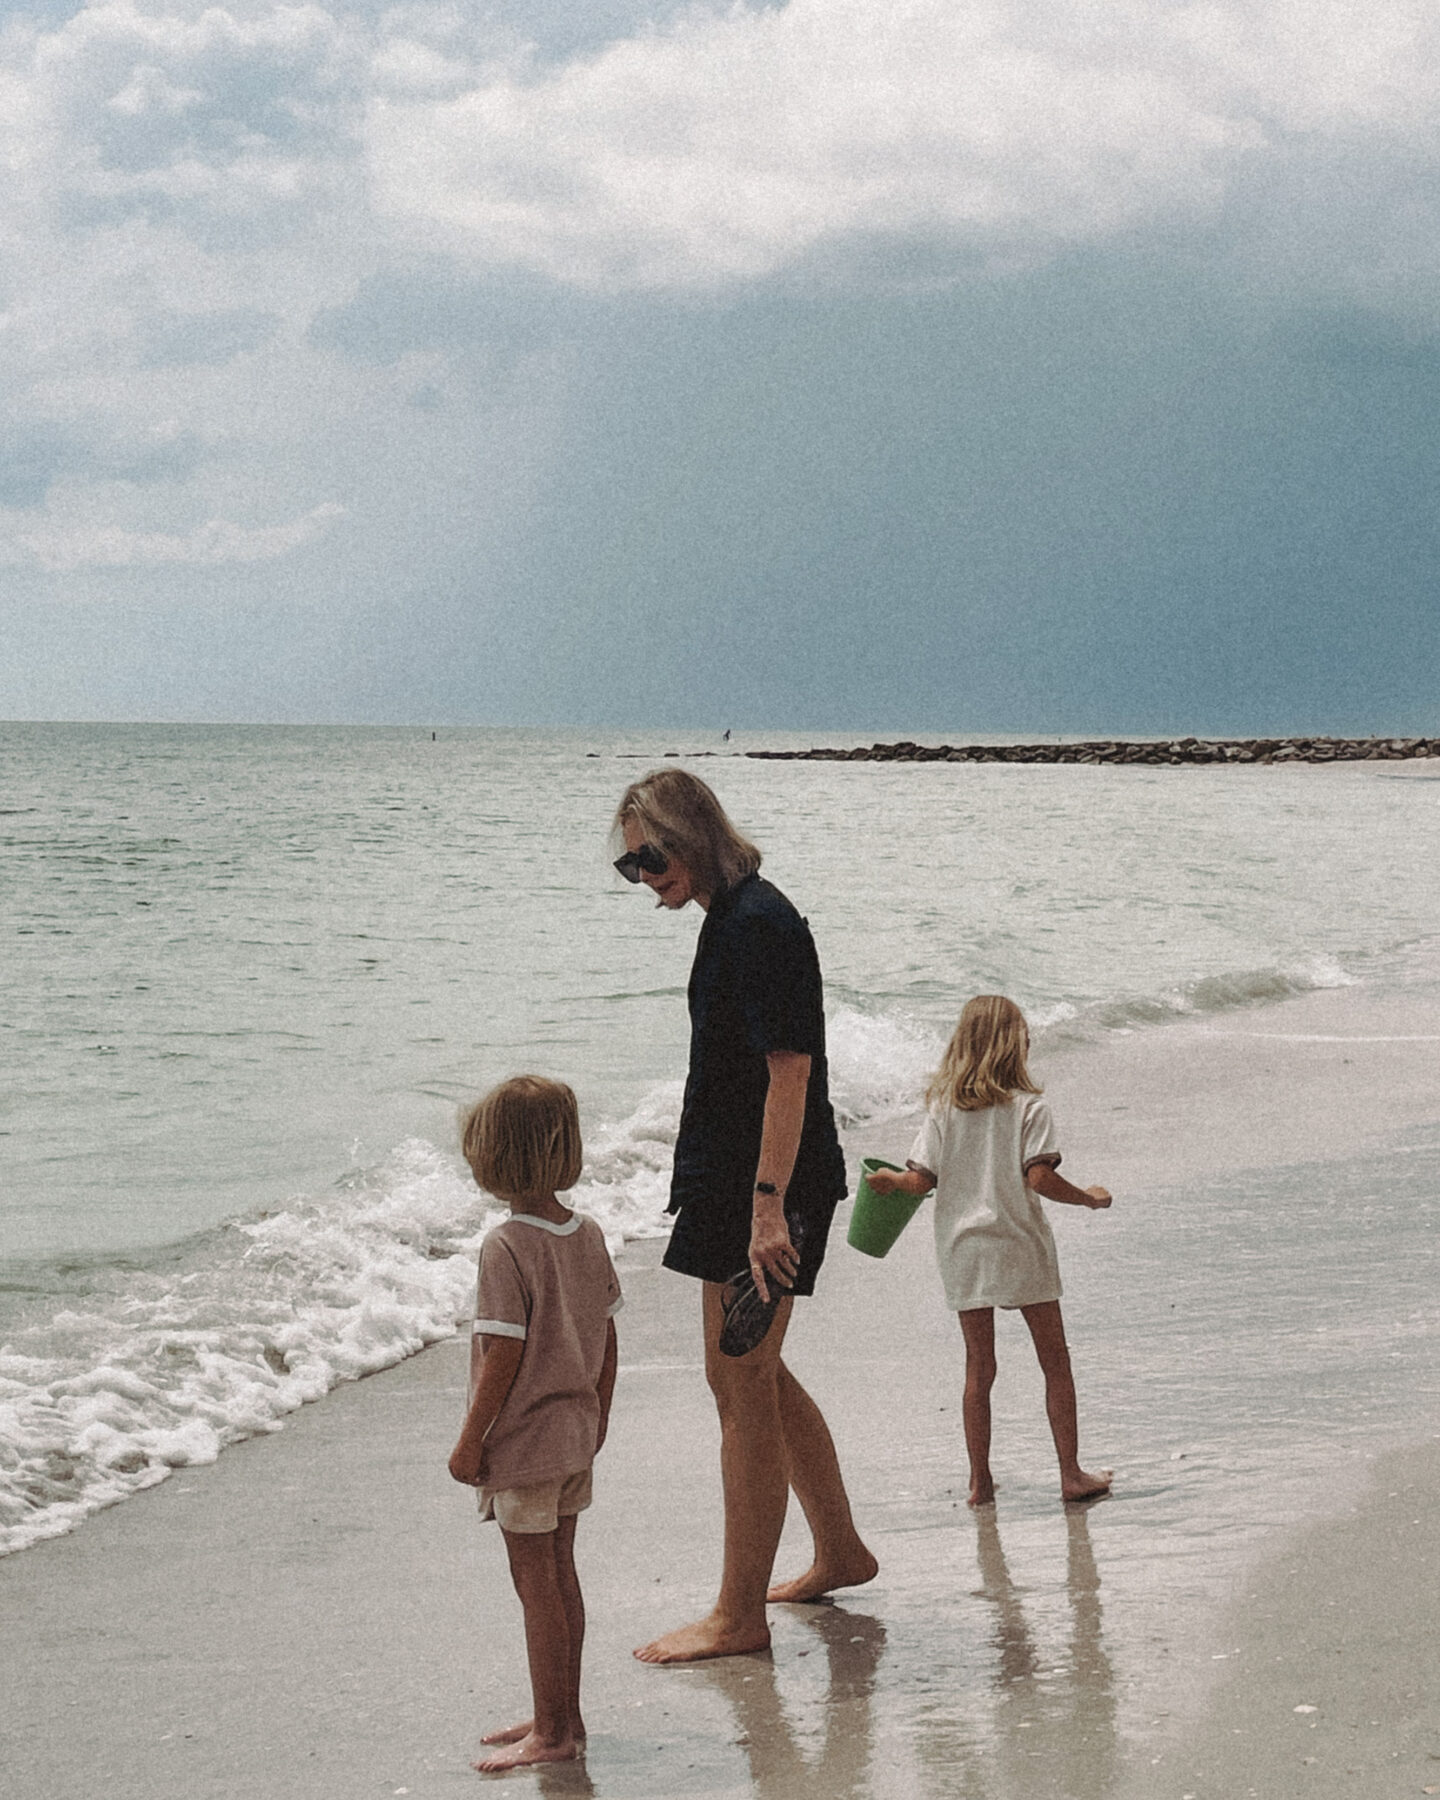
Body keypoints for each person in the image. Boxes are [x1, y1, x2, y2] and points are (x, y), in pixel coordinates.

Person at [613, 768, 876, 1665]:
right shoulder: (732, 918)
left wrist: (768, 1209)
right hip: (734, 1181)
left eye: (649, 860)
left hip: (767, 1190)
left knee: (740, 1385)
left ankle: (739, 1616)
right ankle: (839, 1548)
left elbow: (790, 1070)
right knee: (749, 1377)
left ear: (690, 836)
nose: (645, 880)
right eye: (630, 869)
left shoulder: (758, 923)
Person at [865, 995, 1112, 1507]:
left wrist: (890, 1179)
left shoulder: (942, 1110)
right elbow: (1039, 1177)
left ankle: (980, 1482)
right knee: (1055, 1363)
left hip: (964, 1249)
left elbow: (918, 1180)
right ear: (1012, 1045)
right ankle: (1070, 1474)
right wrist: (1087, 1197)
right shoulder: (1029, 1108)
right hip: (1020, 1244)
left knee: (980, 1368)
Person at [447, 1076, 622, 1772]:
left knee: (534, 1584)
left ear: (494, 1161)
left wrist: (469, 1440)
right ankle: (563, 1714)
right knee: (561, 1576)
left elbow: (502, 1355)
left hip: (523, 1444)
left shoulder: (506, 1246)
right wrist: (598, 1417)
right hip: (576, 1433)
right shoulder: (588, 1234)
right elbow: (608, 1342)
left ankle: (552, 1730)